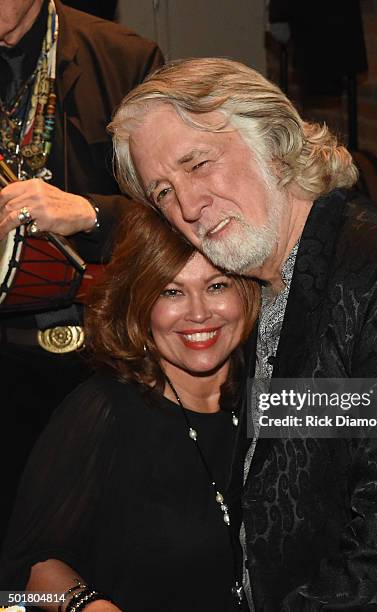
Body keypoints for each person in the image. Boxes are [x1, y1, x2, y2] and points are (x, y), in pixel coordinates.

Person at [108, 58, 377, 610]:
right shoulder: (259, 291)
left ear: (273, 139)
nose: (189, 206)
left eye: (198, 164)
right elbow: (311, 461)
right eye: (164, 192)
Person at [0, 202, 260, 611]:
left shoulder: (277, 396)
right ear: (139, 305)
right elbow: (15, 580)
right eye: (171, 291)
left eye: (217, 286)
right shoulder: (103, 413)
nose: (198, 313)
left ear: (248, 290)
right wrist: (88, 606)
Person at [0, 0, 163, 542]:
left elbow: (180, 212)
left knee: (95, 547)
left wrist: (90, 213)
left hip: (101, 361)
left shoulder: (126, 59)